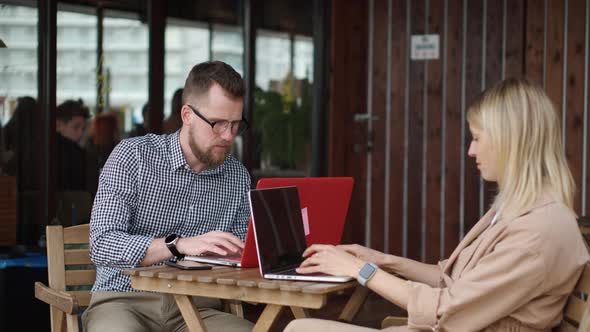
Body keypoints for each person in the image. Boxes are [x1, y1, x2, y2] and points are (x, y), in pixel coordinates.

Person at [285, 78, 590, 332]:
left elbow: (445, 308)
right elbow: (449, 277)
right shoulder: (521, 210)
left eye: (477, 138)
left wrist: (359, 269)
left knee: (300, 329)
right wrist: (380, 259)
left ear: (511, 142)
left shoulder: (536, 232)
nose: (471, 151)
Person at [83, 61, 253, 332]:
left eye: (235, 125)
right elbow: (103, 244)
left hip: (200, 306)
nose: (228, 136)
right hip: (123, 300)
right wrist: (179, 245)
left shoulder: (237, 176)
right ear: (187, 115)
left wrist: (232, 256)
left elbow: (242, 256)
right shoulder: (133, 157)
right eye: (218, 123)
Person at [55, 99, 90, 192]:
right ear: (58, 125)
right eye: (76, 127)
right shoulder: (78, 155)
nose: (80, 133)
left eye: (83, 128)